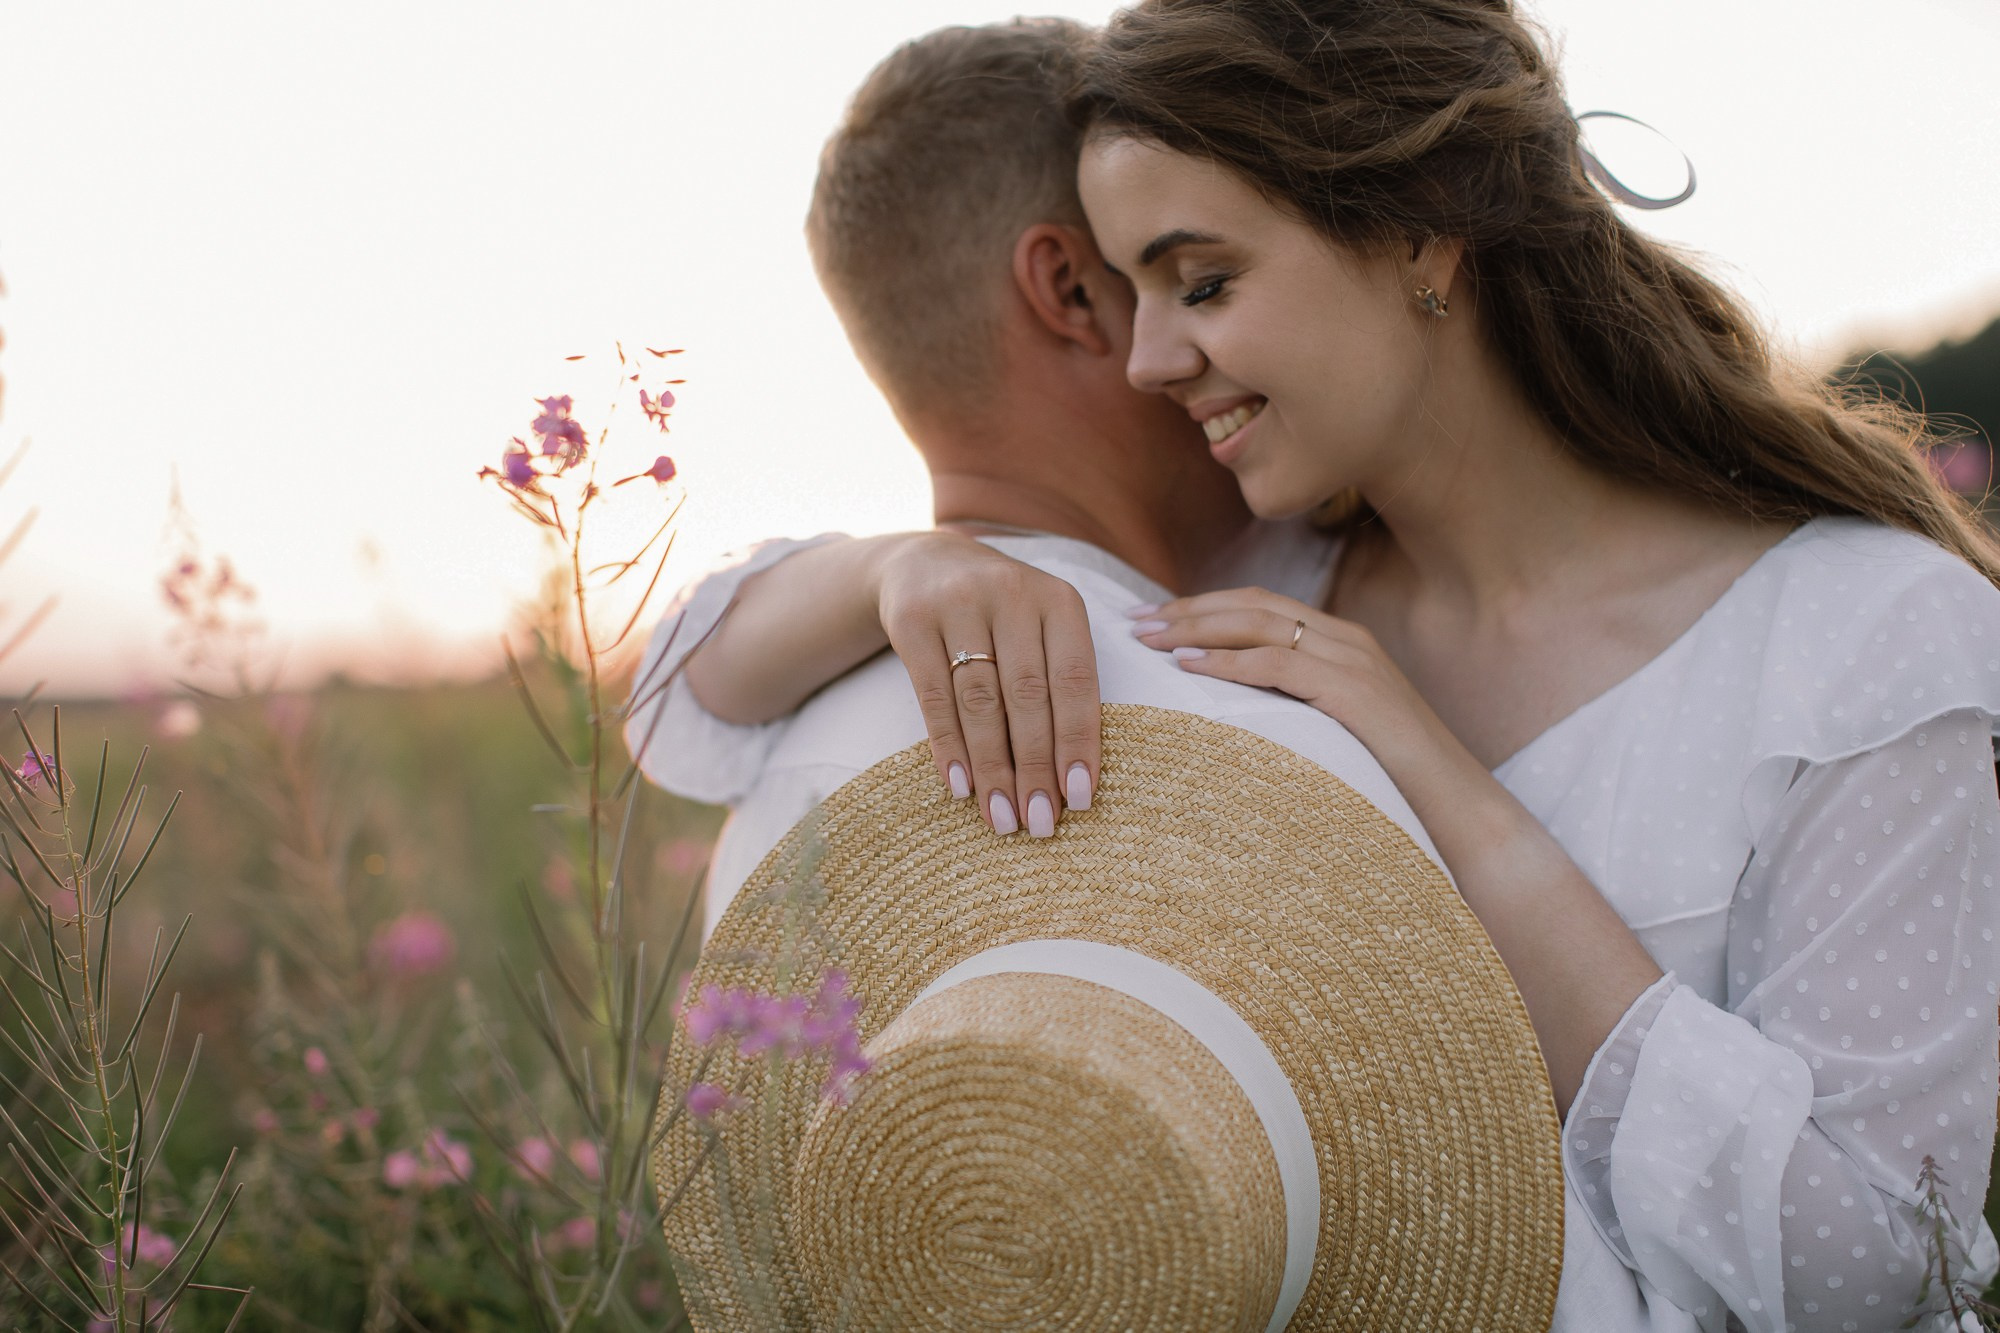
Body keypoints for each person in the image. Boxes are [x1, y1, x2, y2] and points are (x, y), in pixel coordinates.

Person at [635, 2, 2000, 1330]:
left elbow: (1878, 1267)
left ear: (1423, 234)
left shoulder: (1859, 634)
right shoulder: (1244, 602)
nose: (1149, 358)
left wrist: (1437, 779)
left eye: (1202, 282)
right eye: (1132, 292)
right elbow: (687, 690)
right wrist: (895, 565)